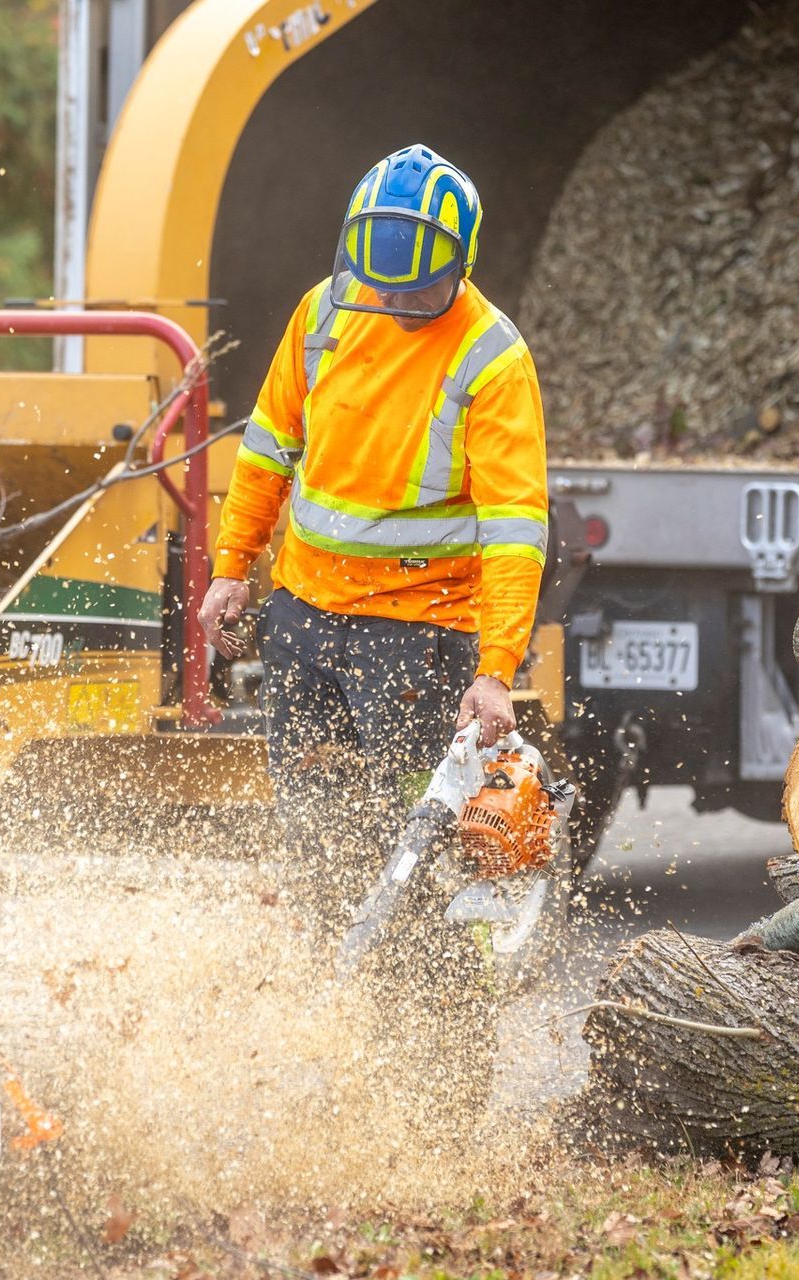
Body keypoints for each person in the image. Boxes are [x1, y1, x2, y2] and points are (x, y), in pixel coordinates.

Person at [196, 143, 549, 894]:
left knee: (418, 843)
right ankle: (332, 982)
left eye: (415, 293)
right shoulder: (324, 311)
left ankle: (445, 1000)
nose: (392, 305)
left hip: (420, 637)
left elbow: (515, 529)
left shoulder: (491, 357)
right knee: (315, 829)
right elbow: (267, 449)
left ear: (461, 264)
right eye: (382, 289)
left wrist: (495, 671)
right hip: (304, 616)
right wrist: (232, 567)